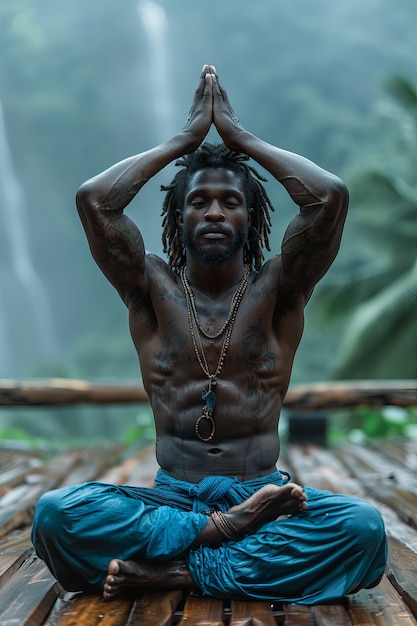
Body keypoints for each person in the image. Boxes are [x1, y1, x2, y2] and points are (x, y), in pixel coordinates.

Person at [31, 65, 387, 604]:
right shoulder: (149, 287)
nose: (215, 211)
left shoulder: (281, 288)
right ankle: (222, 541)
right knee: (56, 516)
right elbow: (94, 201)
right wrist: (185, 140)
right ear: (177, 216)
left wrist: (239, 138)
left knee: (362, 530)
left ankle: (173, 572)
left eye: (231, 201)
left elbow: (329, 197)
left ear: (251, 216)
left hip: (262, 494)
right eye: (198, 201)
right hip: (171, 503)